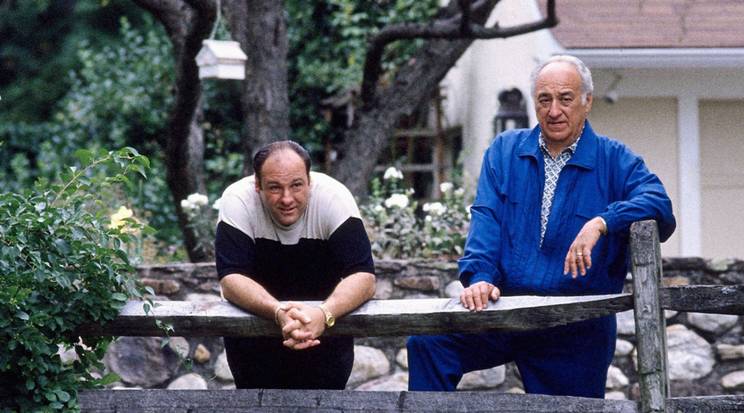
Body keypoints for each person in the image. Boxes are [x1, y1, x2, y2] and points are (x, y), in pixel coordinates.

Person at [406, 55, 676, 397]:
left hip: (575, 325)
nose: (554, 111)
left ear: (586, 101)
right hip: (506, 311)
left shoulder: (614, 158)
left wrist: (602, 221)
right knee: (429, 345)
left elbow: (659, 204)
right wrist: (480, 277)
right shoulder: (505, 150)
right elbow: (486, 219)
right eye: (544, 100)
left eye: (565, 99)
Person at [215, 140, 376, 389]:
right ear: (257, 185)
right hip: (253, 335)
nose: (287, 198)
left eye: (297, 185)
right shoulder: (238, 200)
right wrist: (278, 312)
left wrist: (324, 315)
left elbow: (364, 276)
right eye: (275, 188)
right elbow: (231, 279)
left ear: (309, 181)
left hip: (325, 335)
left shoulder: (334, 198)